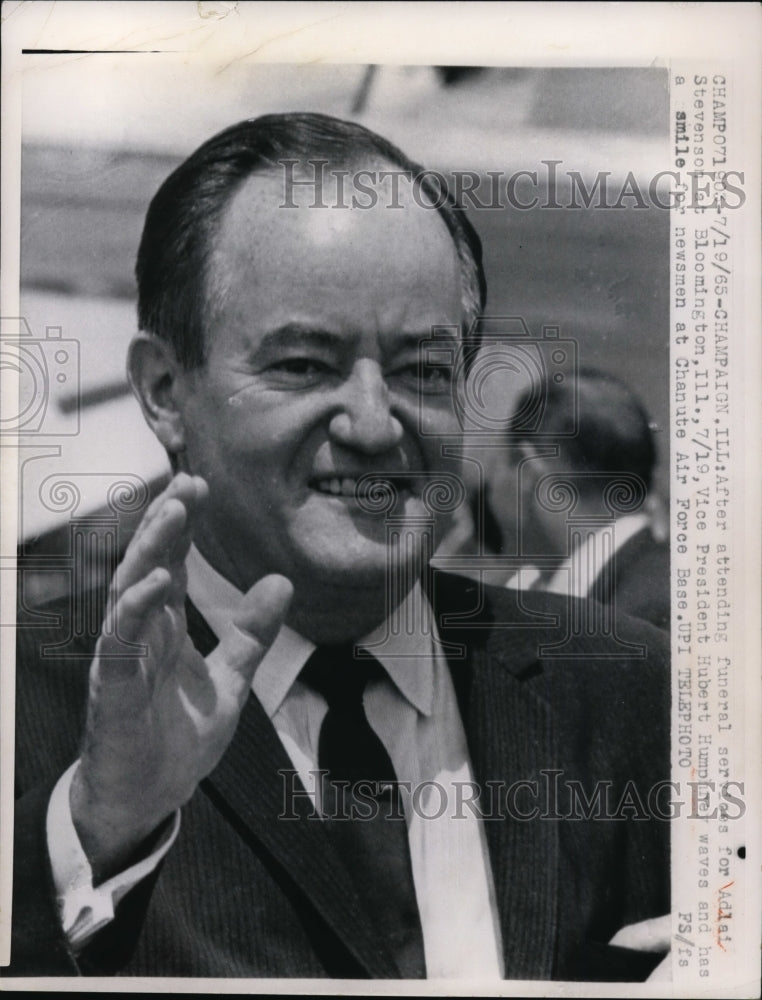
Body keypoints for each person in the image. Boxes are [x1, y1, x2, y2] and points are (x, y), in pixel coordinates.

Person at [11, 113, 670, 981]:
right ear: (165, 390)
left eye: (422, 371)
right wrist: (95, 830)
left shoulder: (627, 692)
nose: (371, 422)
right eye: (304, 365)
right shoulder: (33, 710)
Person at [490, 368, 670, 631]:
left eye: (497, 464)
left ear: (525, 470)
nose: (489, 486)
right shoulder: (659, 586)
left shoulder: (643, 616)